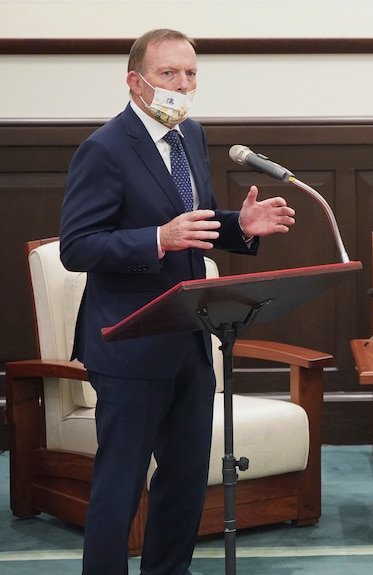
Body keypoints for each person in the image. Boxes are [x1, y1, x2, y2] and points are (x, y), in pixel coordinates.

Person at [59, 29, 296, 575]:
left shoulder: (190, 136)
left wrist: (242, 227)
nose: (182, 86)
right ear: (135, 82)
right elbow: (76, 246)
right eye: (169, 74)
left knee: (186, 482)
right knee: (120, 485)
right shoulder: (104, 149)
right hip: (129, 344)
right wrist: (155, 239)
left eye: (190, 75)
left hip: (190, 339)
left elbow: (199, 224)